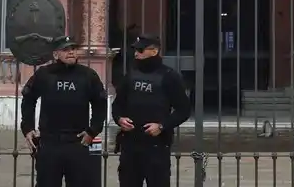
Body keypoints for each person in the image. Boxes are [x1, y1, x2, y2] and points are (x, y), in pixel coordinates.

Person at [20, 37, 108, 187]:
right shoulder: (44, 74)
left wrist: (93, 130)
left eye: (73, 49)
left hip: (77, 142)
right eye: (65, 50)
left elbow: (100, 104)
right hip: (49, 142)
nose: (71, 53)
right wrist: (28, 128)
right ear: (55, 54)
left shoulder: (88, 75)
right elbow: (28, 99)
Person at [112, 34, 192, 187]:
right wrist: (119, 119)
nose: (136, 54)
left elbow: (184, 110)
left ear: (154, 51)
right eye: (135, 50)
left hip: (157, 146)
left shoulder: (169, 76)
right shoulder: (131, 74)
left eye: (140, 50)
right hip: (130, 144)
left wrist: (162, 126)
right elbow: (117, 105)